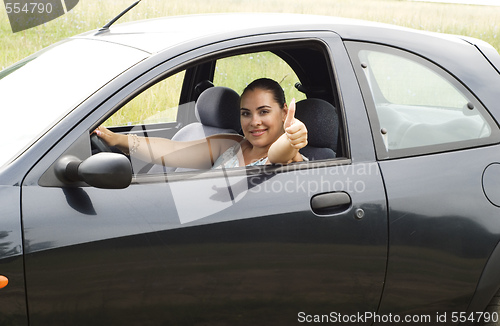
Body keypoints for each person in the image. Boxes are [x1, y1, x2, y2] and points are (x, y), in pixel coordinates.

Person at [94, 78, 308, 170]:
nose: (254, 122)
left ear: (283, 113)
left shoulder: (290, 156)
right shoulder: (231, 144)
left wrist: (291, 138)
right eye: (246, 113)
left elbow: (278, 155)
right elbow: (172, 151)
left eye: (264, 112)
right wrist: (116, 139)